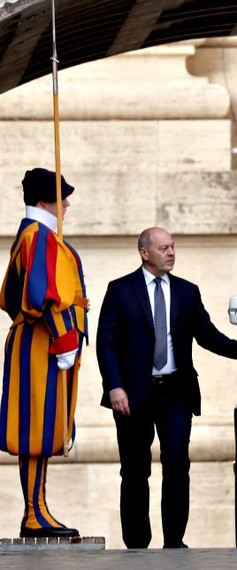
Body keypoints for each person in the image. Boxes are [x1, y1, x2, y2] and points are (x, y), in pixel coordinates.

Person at [96, 227, 237, 549]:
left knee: (176, 463)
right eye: (163, 248)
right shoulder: (120, 290)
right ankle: (136, 543)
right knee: (134, 470)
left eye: (173, 246)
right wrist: (114, 387)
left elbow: (207, 334)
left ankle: (174, 540)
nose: (171, 253)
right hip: (132, 395)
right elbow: (107, 345)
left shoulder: (187, 291)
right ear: (145, 253)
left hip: (175, 393)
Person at [0, 168, 87, 538]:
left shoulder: (35, 236)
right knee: (36, 426)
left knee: (42, 426)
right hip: (44, 343)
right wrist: (64, 338)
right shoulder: (39, 237)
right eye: (60, 197)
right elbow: (41, 294)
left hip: (40, 341)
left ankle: (38, 508)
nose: (66, 203)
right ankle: (34, 513)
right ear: (42, 201)